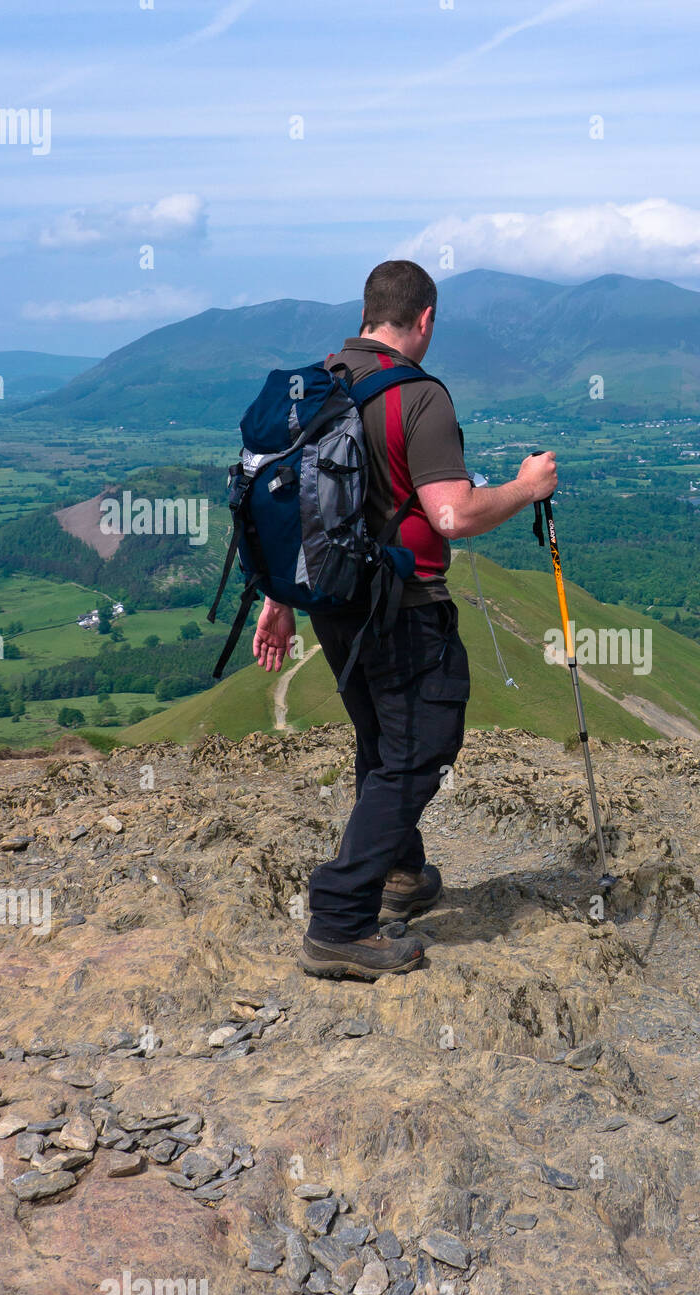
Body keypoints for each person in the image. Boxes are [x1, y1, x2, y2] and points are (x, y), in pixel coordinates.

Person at [250, 260, 558, 980]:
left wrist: (279, 601)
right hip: (403, 607)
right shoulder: (418, 397)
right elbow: (451, 513)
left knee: (383, 739)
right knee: (420, 749)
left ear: (367, 313)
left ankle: (402, 873)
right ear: (424, 319)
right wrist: (525, 486)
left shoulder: (318, 385)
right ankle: (339, 920)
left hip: (335, 606)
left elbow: (292, 504)